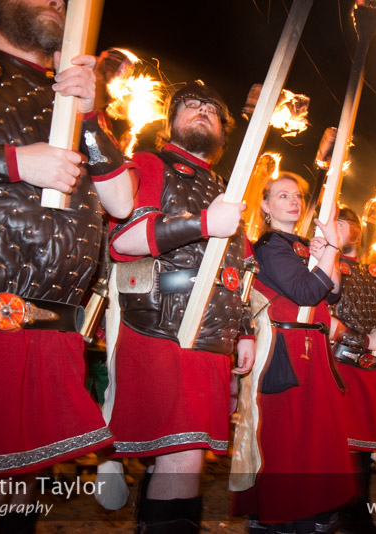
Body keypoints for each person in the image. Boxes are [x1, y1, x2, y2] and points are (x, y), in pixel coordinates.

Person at [0, 0, 133, 531]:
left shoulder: (74, 95)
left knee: (18, 495)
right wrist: (14, 161)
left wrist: (88, 114)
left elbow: (123, 202)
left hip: (52, 324)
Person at [107, 80, 254, 533]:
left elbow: (241, 268)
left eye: (211, 108)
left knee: (183, 454)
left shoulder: (224, 186)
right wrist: (205, 222)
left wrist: (245, 329)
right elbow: (124, 240)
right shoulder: (151, 163)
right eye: (191, 106)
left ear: (224, 132)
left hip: (212, 337)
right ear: (170, 122)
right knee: (183, 453)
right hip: (162, 327)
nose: (202, 111)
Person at [231, 172, 357, 534]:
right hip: (284, 350)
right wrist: (330, 250)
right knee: (287, 439)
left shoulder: (302, 244)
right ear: (266, 206)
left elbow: (330, 294)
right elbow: (305, 293)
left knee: (311, 439)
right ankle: (280, 518)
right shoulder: (271, 246)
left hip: (313, 348)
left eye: (297, 195)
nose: (293, 201)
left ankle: (308, 514)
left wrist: (324, 253)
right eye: (282, 195)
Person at [329, 206, 376, 534]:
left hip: (367, 369)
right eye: (339, 223)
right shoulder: (323, 268)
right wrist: (364, 338)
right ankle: (333, 516)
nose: (347, 228)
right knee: (335, 445)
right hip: (335, 365)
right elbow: (320, 317)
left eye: (350, 223)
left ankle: (357, 517)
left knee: (362, 447)